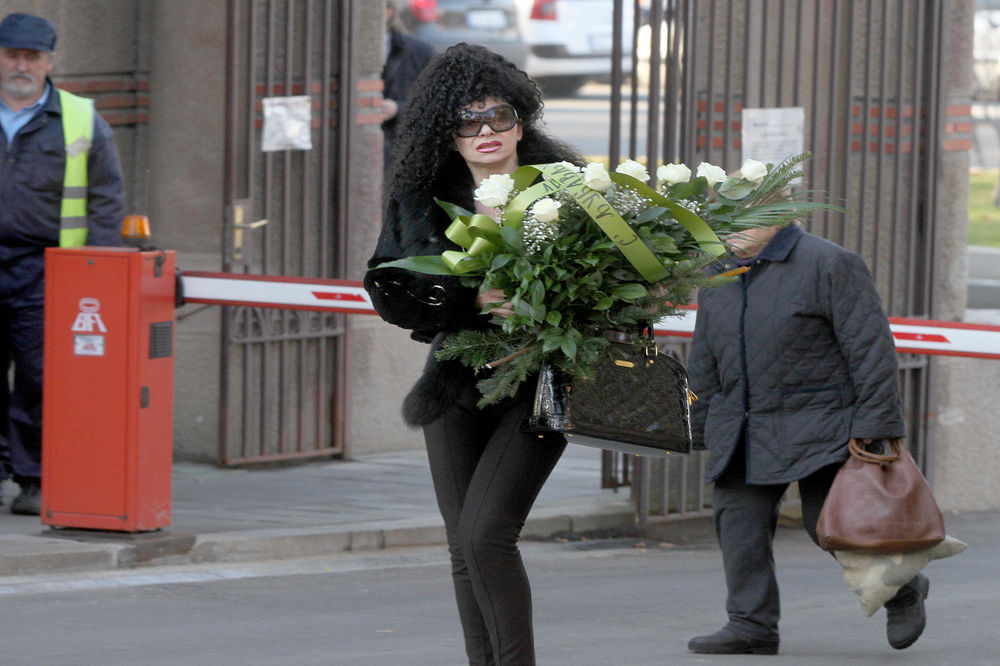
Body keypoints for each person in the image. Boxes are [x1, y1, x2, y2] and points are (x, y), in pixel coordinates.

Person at [364, 43, 584, 665]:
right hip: (457, 381)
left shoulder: (567, 188)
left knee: (488, 536)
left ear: (522, 120)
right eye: (469, 120)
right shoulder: (420, 198)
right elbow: (389, 289)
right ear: (448, 131)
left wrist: (547, 302)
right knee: (463, 547)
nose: (487, 132)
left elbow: (616, 290)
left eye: (501, 116)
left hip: (539, 385)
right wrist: (468, 298)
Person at [685, 221, 930, 655]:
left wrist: (876, 425)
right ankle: (751, 626)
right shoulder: (718, 271)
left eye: (747, 215)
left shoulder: (831, 263)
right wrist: (701, 423)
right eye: (727, 215)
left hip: (821, 423)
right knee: (738, 523)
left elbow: (871, 348)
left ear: (781, 214)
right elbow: (705, 354)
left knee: (834, 527)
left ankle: (903, 589)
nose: (733, 227)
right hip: (743, 423)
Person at [0, 13, 125, 515]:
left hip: (46, 267)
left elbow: (105, 199)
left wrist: (90, 271)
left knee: (37, 378)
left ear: (50, 61)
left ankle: (33, 478)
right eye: (12, 55)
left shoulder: (78, 118)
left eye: (32, 57)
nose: (21, 65)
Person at [380, 0, 434, 182]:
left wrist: (398, 108)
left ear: (388, 12)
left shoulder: (420, 52)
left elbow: (435, 101)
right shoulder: (345, 50)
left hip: (405, 148)